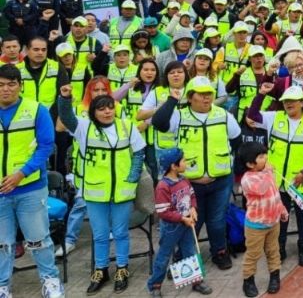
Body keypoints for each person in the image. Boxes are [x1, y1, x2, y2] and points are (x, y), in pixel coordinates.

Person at [57, 83, 145, 294]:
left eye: (110, 107)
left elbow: (139, 153)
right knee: (100, 234)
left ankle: (122, 268)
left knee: (122, 233)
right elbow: (67, 118)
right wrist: (64, 98)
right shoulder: (84, 127)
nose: (107, 111)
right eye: (101, 108)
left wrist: (132, 179)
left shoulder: (127, 126)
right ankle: (101, 270)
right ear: (93, 112)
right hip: (95, 192)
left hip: (122, 191)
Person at [152, 77, 242, 270]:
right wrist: (172, 100)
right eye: (201, 94)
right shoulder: (179, 115)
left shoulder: (223, 115)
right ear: (191, 97)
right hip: (189, 183)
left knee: (217, 220)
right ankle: (184, 258)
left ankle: (219, 251)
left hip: (220, 179)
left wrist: (227, 162)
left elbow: (236, 139)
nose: (206, 98)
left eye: (209, 93)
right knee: (192, 221)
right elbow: (158, 122)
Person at [0, 64, 64, 298]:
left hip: (30, 188)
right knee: (2, 244)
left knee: (38, 240)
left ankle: (50, 281)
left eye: (10, 84)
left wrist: (21, 174)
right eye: (0, 85)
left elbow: (46, 146)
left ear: (20, 85)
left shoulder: (36, 110)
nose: (5, 89)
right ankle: (2, 285)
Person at [247, 84, 303, 267]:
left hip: (299, 181)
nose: (288, 104)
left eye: (292, 101)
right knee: (280, 216)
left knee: (302, 215)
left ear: (301, 102)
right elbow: (253, 115)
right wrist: (260, 95)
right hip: (277, 180)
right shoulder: (275, 117)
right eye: (285, 101)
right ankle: (279, 247)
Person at [146, 147, 213, 297]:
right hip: (171, 227)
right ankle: (155, 286)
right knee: (163, 257)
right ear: (173, 166)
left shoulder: (184, 180)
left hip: (186, 225)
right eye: (183, 160)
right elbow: (163, 212)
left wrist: (193, 208)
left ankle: (196, 282)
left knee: (190, 252)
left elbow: (191, 195)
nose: (186, 163)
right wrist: (182, 218)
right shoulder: (163, 186)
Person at [238, 141, 287, 297]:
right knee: (253, 254)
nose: (265, 158)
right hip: (256, 226)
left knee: (274, 251)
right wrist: (268, 173)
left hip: (273, 222)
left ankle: (275, 276)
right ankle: (248, 280)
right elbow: (262, 189)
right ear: (250, 163)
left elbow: (274, 193)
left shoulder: (267, 174)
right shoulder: (247, 179)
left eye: (265, 154)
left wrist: (282, 209)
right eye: (261, 156)